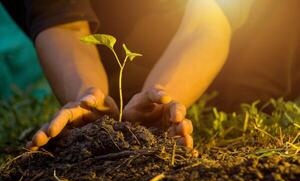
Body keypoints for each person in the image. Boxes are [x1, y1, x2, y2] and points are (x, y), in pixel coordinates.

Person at [2, 0, 300, 151]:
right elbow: (63, 22)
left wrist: (162, 94)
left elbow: (207, 20)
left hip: (227, 37)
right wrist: (86, 94)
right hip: (113, 33)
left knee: (248, 93)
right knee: (125, 97)